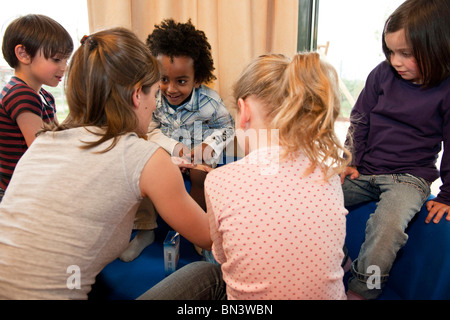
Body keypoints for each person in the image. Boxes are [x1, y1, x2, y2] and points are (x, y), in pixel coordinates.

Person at [0, 27, 211, 300]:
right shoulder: (145, 157)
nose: (154, 106)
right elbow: (209, 236)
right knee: (208, 276)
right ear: (137, 95)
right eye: (153, 95)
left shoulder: (43, 142)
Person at [138, 52, 351, 300]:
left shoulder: (220, 181)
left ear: (244, 111)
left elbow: (221, 254)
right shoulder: (330, 175)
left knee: (206, 270)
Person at [340, 0, 450, 300]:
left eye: (406, 54)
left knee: (386, 228)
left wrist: (448, 195)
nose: (396, 61)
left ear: (437, 48)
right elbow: (359, 119)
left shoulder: (446, 90)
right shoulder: (382, 74)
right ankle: (332, 261)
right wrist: (350, 160)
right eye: (390, 52)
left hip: (408, 179)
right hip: (365, 170)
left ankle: (362, 290)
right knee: (317, 195)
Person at [120, 19, 234, 262]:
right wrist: (175, 148)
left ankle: (195, 228)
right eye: (163, 79)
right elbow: (150, 131)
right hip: (166, 155)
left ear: (198, 78)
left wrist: (208, 146)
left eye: (181, 81)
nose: (170, 89)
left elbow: (227, 128)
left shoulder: (210, 101)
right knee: (141, 171)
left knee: (200, 176)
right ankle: (145, 230)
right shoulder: (154, 98)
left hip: (198, 158)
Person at [0, 14, 73, 201]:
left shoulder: (43, 95)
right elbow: (42, 148)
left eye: (66, 60)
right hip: (14, 191)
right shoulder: (21, 94)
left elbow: (55, 135)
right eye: (57, 60)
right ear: (23, 54)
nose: (64, 67)